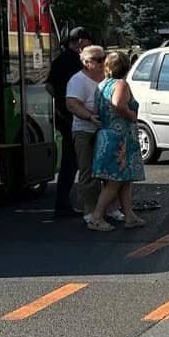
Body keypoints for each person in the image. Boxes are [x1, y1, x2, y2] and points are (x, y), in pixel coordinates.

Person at [89, 51, 146, 231]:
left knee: (124, 179)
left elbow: (98, 108)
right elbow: (118, 104)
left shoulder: (102, 84)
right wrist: (132, 116)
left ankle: (129, 216)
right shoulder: (121, 84)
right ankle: (96, 217)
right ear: (126, 67)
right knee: (114, 181)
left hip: (107, 134)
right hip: (119, 138)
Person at [46, 26, 92, 216]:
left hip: (62, 115)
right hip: (77, 117)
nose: (89, 46)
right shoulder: (78, 63)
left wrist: (59, 101)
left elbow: (48, 86)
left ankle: (62, 201)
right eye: (88, 42)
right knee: (79, 161)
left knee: (69, 160)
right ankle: (83, 204)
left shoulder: (58, 60)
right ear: (81, 41)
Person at [66, 44, 107, 223]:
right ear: (86, 62)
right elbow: (72, 104)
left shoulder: (106, 77)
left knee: (109, 172)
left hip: (105, 131)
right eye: (98, 59)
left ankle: (110, 208)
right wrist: (90, 117)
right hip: (85, 130)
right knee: (88, 172)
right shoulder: (78, 80)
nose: (102, 62)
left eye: (104, 58)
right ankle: (89, 211)